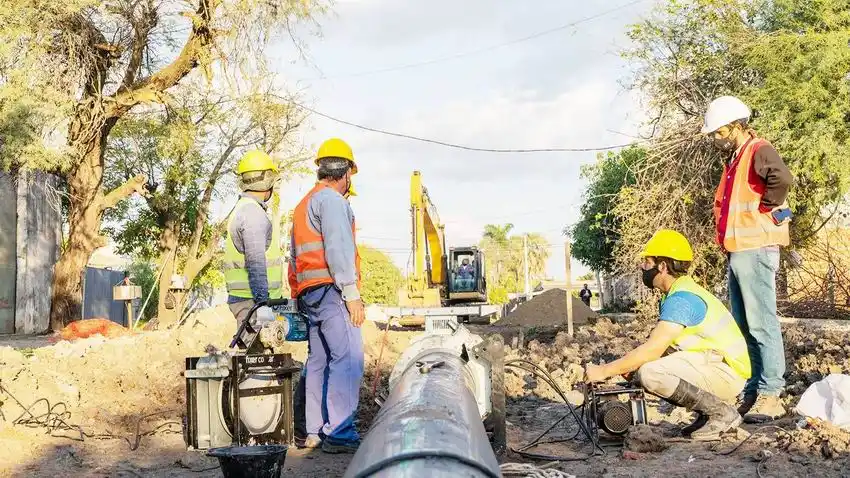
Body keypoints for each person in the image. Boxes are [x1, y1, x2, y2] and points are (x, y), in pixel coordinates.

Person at [584, 230, 752, 441]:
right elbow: (667, 348)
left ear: (662, 266)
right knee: (646, 367)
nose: (643, 267)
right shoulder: (680, 293)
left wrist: (604, 370)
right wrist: (628, 366)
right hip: (719, 367)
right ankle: (708, 414)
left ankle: (722, 414)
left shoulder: (681, 299)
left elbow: (653, 349)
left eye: (647, 261)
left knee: (650, 373)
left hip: (726, 374)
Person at [702, 96, 793, 423]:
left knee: (761, 322)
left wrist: (766, 208)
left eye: (718, 131)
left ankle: (771, 393)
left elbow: (781, 179)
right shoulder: (738, 158)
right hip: (740, 250)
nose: (715, 138)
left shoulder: (758, 150)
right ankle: (754, 388)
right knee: (744, 324)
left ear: (735, 126)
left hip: (755, 248)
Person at [288, 137, 364, 454]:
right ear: (345, 172)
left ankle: (315, 431)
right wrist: (352, 295)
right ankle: (340, 432)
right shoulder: (333, 202)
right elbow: (338, 250)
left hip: (310, 295)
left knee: (318, 360)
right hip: (332, 291)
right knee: (347, 359)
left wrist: (296, 298)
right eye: (351, 176)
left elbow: (293, 258)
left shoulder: (303, 204)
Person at [223, 150, 282, 324]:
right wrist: (262, 304)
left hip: (248, 301)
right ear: (268, 180)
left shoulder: (243, 209)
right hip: (253, 304)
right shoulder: (253, 213)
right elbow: (255, 261)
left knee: (257, 351)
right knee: (258, 351)